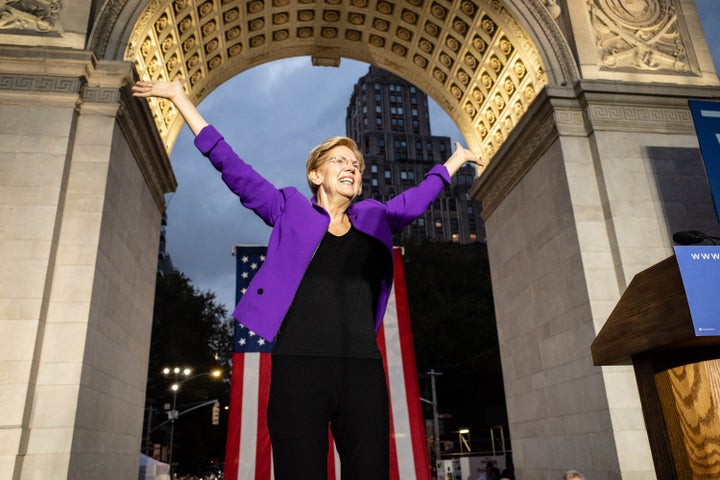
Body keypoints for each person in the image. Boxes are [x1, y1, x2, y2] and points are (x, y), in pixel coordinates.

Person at [132, 78, 483, 480]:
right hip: (298, 369)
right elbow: (232, 167)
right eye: (339, 160)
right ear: (316, 175)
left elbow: (418, 198)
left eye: (355, 164)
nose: (351, 166)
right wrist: (180, 99)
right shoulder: (288, 209)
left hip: (362, 371)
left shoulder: (374, 217)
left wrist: (453, 163)